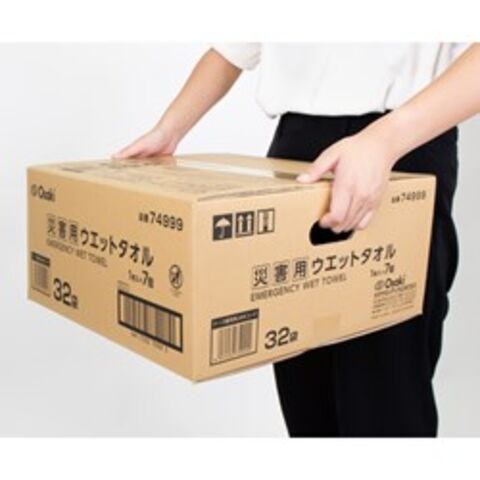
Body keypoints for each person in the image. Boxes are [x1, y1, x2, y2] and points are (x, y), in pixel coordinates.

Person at [114, 43, 480, 437]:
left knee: (385, 401)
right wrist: (169, 129)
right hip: (297, 151)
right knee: (307, 399)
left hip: (401, 145)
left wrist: (384, 140)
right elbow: (231, 48)